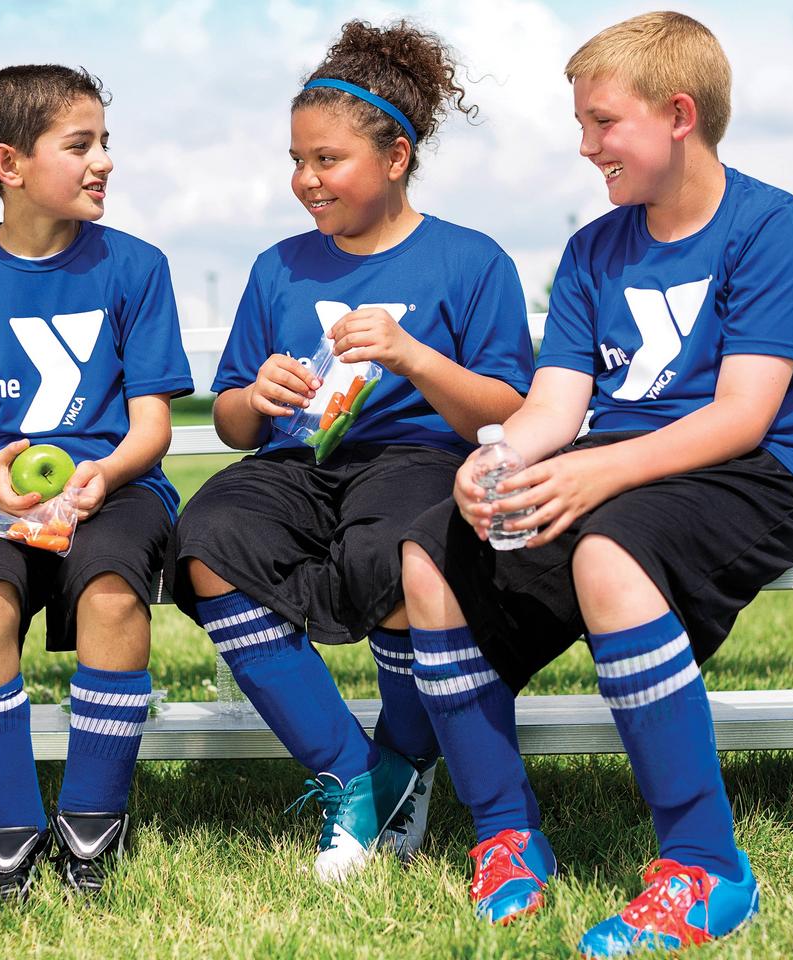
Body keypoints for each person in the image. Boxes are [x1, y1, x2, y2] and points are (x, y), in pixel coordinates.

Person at [399, 11, 793, 955]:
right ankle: (507, 836)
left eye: (603, 123)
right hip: (620, 473)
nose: (586, 145)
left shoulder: (771, 227)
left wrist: (590, 476)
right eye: (582, 125)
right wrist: (499, 461)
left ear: (679, 114)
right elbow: (556, 405)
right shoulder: (595, 248)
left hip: (754, 475)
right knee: (430, 556)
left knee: (607, 552)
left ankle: (706, 871)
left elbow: (742, 417)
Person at [167, 20, 534, 882]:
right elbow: (229, 421)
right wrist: (253, 399)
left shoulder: (471, 262)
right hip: (299, 464)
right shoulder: (278, 267)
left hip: (420, 461)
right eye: (296, 160)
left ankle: (407, 767)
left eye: (327, 160)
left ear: (396, 156)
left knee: (396, 550)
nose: (305, 180)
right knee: (206, 536)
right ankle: (359, 776)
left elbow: (509, 407)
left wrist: (413, 356)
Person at [0, 64, 192, 908]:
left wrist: (101, 474)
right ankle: (8, 835)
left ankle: (92, 826)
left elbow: (152, 429)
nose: (104, 161)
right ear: (9, 163)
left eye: (106, 142)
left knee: (109, 595)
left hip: (120, 486)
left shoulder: (136, 267)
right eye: (80, 144)